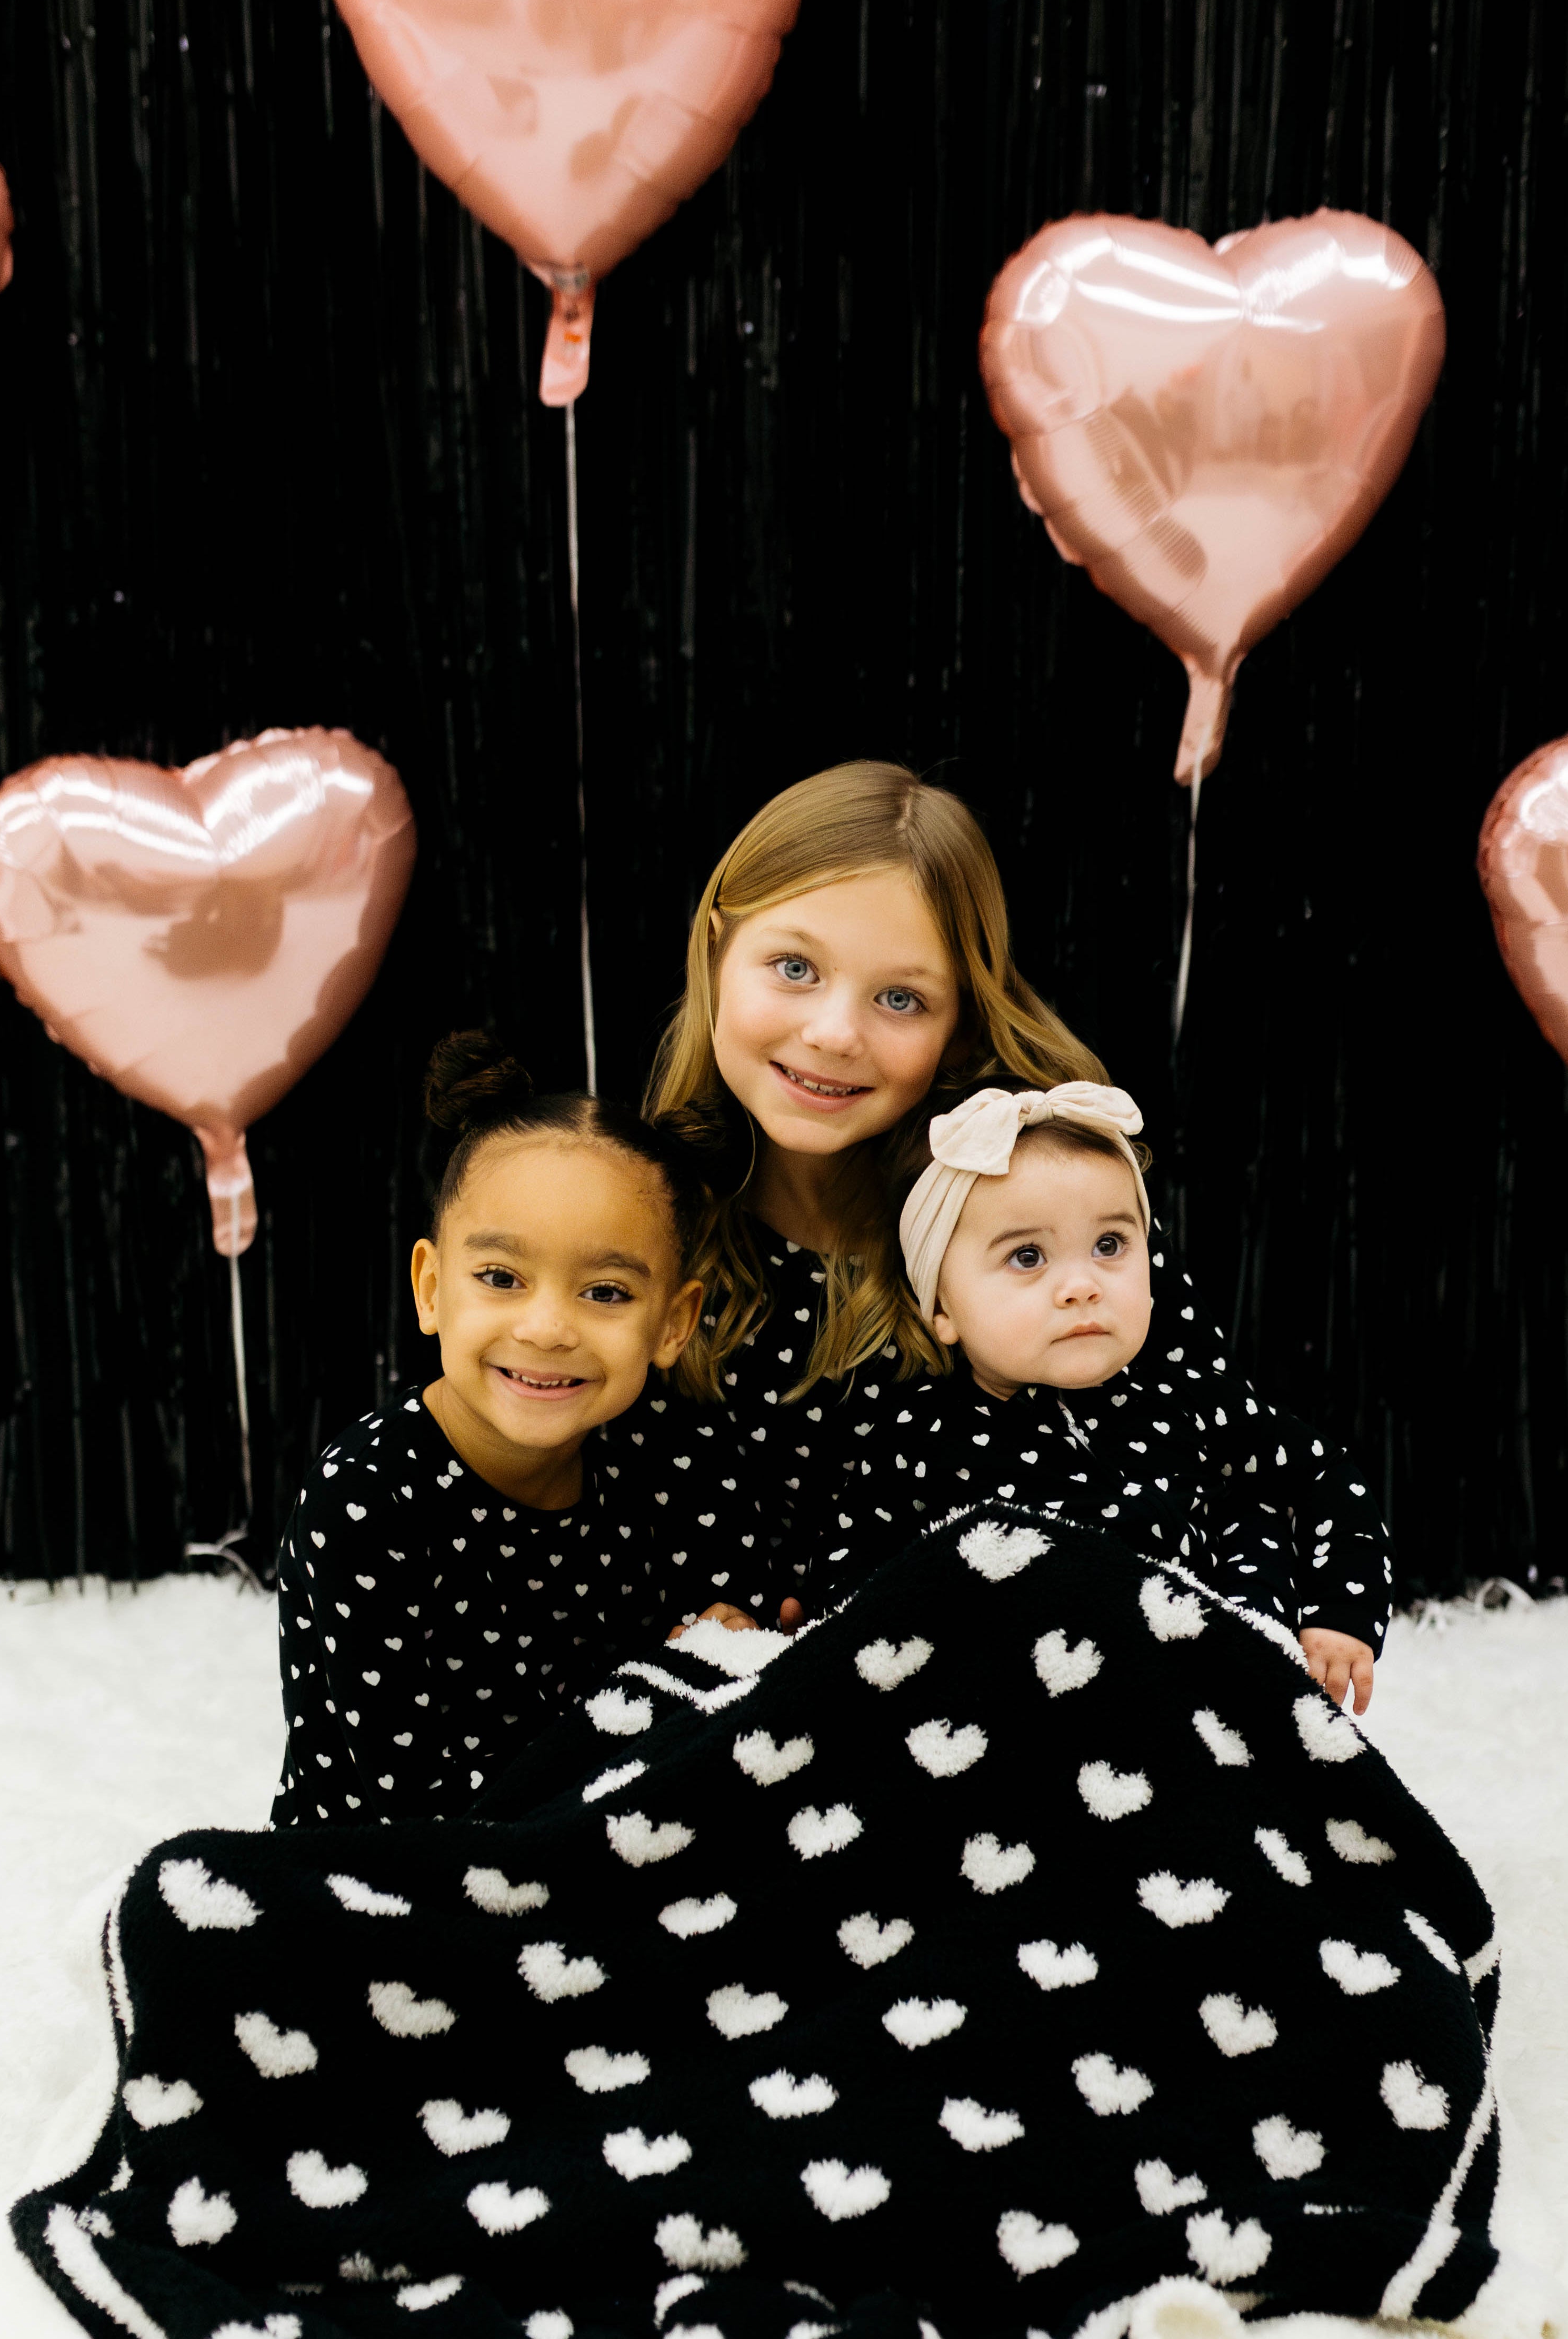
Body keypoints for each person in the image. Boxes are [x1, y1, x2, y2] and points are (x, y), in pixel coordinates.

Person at [271, 1035, 787, 1828]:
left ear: (674, 1323)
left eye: (606, 1292)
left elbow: (750, 1635)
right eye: (502, 1278)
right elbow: (407, 1796)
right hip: (400, 1859)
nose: (547, 1327)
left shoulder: (676, 1456)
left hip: (622, 1831)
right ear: (433, 1287)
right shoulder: (368, 1501)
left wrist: (734, 1630)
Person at [644, 760, 1105, 1574]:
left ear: (960, 1027)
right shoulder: (637, 1215)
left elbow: (1210, 1441)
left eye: (901, 998)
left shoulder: (1039, 1203)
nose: (832, 1032)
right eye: (795, 967)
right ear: (717, 949)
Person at [804, 1078, 1389, 1706]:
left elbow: (1326, 1479)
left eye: (1110, 1246)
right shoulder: (917, 1438)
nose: (1081, 1286)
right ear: (942, 1309)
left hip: (1189, 1696)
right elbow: (850, 1569)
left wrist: (1340, 1613)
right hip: (1002, 1708)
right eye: (1027, 1257)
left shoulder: (1188, 1399)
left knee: (1253, 1555)